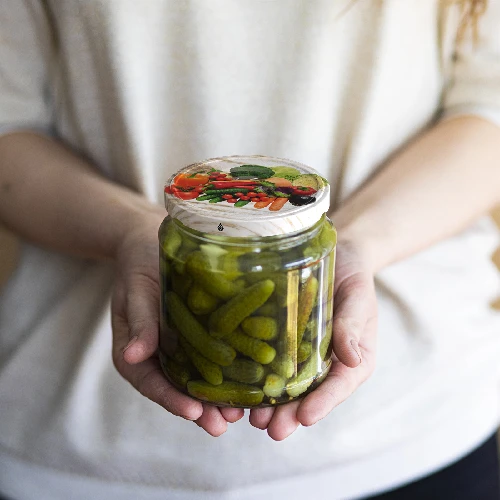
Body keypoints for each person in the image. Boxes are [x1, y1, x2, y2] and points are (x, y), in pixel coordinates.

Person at [1, 0, 500, 498]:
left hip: (418, 424)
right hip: (77, 442)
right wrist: (132, 231)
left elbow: (488, 106)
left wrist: (357, 244)